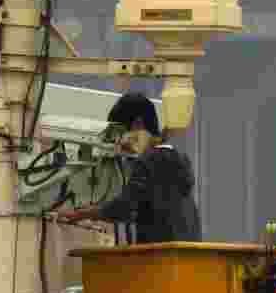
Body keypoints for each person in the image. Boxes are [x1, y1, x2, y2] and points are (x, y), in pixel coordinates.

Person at [57, 91, 202, 244]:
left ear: (137, 124)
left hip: (161, 253)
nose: (119, 143)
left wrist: (82, 214)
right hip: (189, 250)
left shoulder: (149, 160)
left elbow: (124, 207)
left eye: (120, 134)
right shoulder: (179, 159)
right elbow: (144, 208)